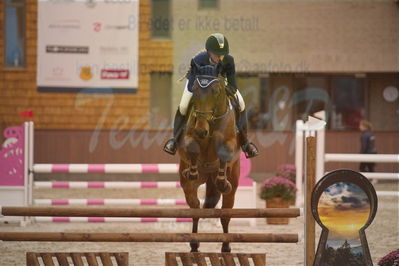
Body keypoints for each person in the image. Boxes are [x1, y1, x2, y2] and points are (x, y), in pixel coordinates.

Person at [163, 33, 259, 158]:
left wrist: (220, 93)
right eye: (216, 54)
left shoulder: (228, 60)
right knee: (183, 106)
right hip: (197, 86)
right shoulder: (199, 60)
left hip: (220, 86)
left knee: (241, 103)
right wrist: (201, 93)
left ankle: (246, 143)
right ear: (208, 51)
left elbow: (233, 85)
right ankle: (174, 141)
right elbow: (192, 83)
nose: (219, 57)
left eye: (221, 54)